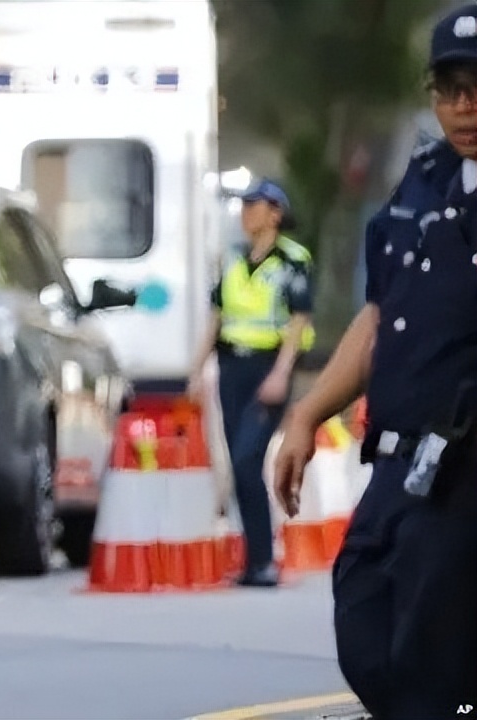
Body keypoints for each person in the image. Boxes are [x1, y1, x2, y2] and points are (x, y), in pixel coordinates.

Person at [273, 6, 477, 717]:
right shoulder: (422, 180)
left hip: (464, 470)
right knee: (365, 631)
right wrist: (307, 412)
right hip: (397, 467)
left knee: (428, 665)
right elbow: (380, 315)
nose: (463, 106)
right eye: (449, 87)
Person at [187, 177, 314, 588]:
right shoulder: (234, 258)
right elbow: (217, 316)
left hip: (267, 369)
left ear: (275, 212)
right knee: (238, 466)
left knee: (246, 458)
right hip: (232, 369)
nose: (246, 214)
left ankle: (264, 559)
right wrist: (196, 368)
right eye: (243, 206)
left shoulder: (292, 260)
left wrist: (281, 373)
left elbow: (298, 322)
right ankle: (253, 559)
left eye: (255, 205)